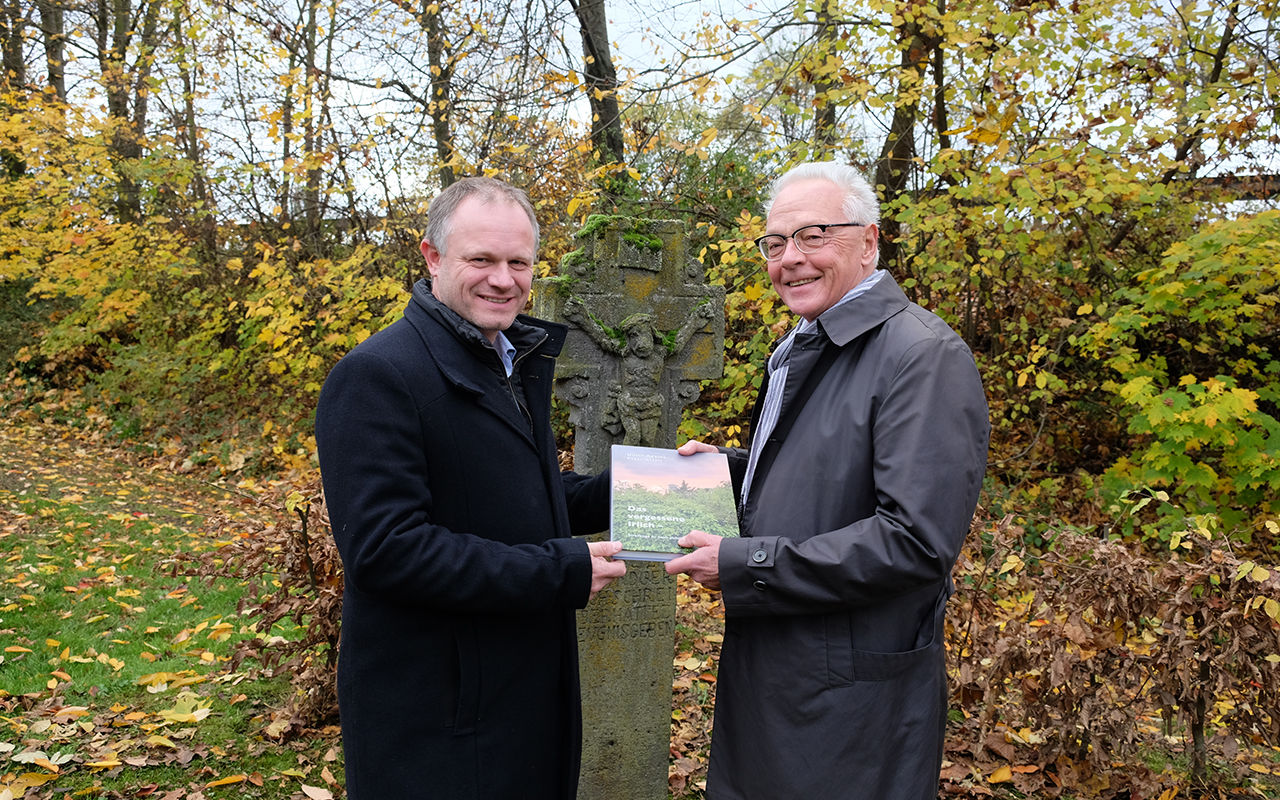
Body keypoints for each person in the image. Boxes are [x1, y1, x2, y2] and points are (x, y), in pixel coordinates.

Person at [666, 161, 990, 800]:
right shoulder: (807, 342)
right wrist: (728, 469)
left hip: (849, 701)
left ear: (869, 241)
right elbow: (824, 468)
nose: (791, 258)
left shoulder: (921, 357)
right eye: (776, 242)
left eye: (815, 236)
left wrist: (747, 562)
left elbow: (915, 542)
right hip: (777, 669)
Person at [315, 176, 626, 799]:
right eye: (481, 259)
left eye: (519, 262)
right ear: (433, 258)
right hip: (442, 721)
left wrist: (680, 478)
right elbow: (387, 550)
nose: (504, 279)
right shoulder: (378, 376)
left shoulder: (505, 358)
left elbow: (522, 496)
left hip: (516, 695)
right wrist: (557, 571)